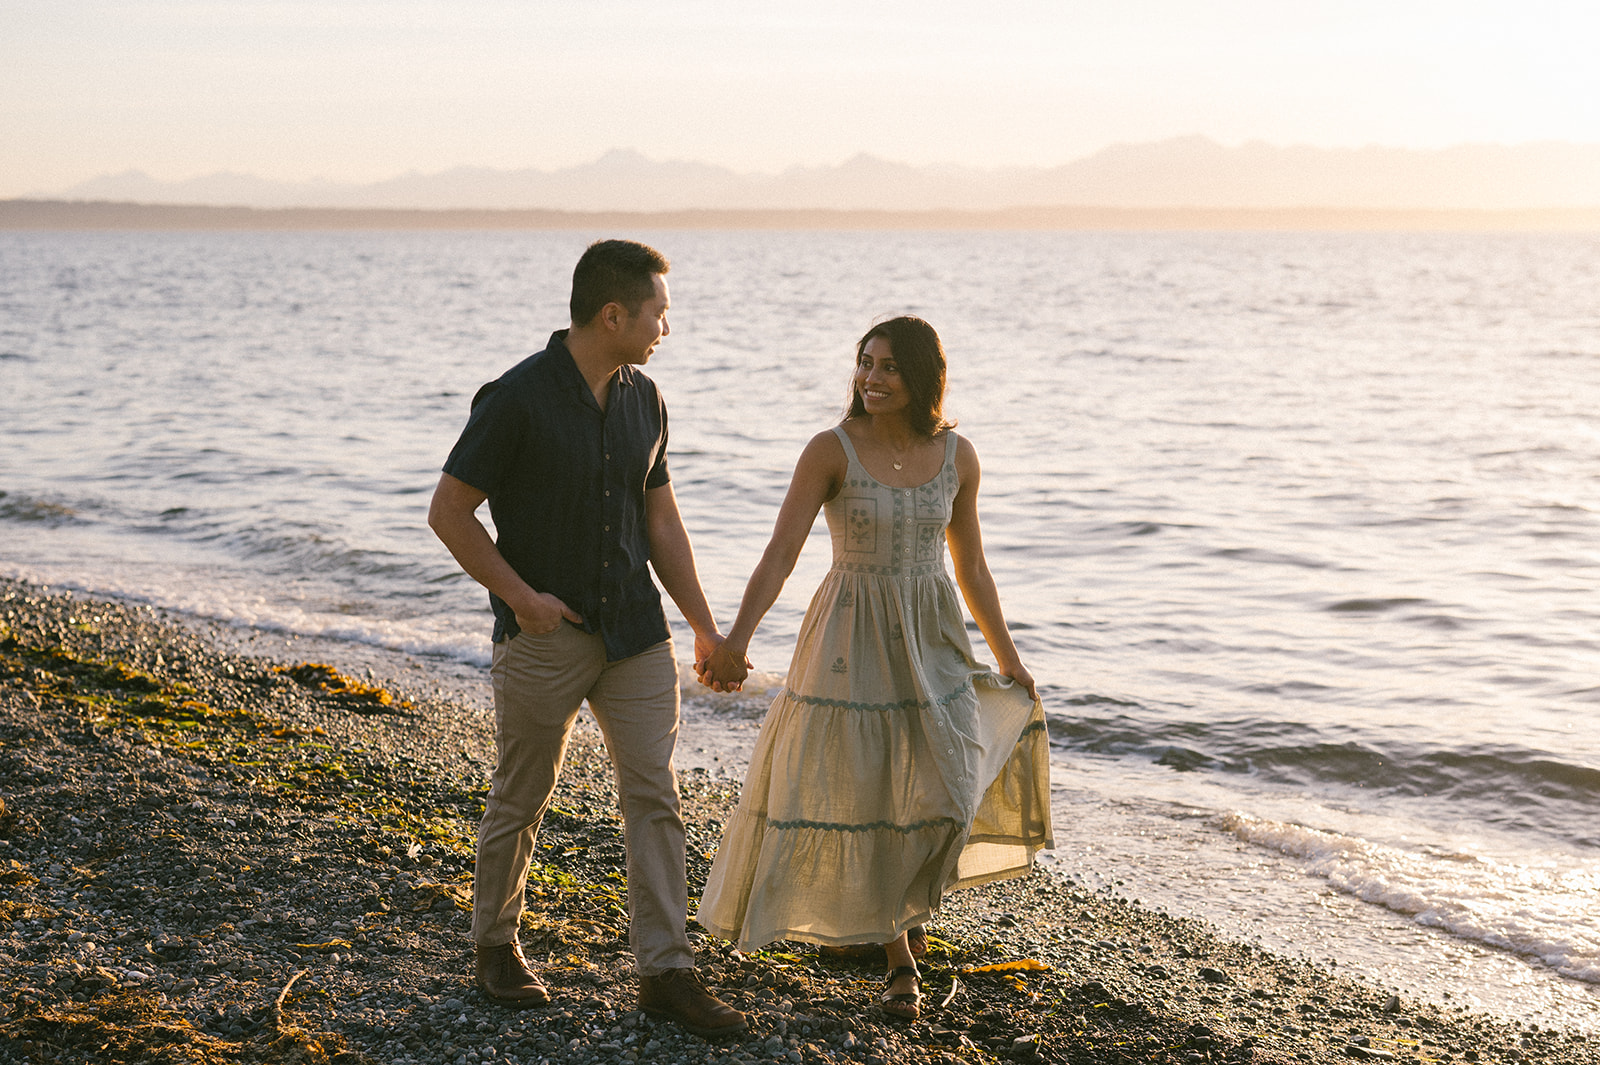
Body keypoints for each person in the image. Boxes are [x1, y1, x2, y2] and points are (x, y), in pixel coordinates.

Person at [428, 239, 746, 1037]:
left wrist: (703, 624)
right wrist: (522, 598)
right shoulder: (515, 399)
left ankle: (666, 970)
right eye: (657, 312)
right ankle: (495, 944)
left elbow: (661, 519)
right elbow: (449, 512)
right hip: (546, 635)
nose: (666, 325)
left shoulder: (646, 398)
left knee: (656, 795)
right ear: (613, 314)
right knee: (522, 793)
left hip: (638, 633)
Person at [693, 315, 1053, 1022]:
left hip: (933, 634)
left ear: (922, 376)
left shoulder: (957, 454)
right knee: (870, 791)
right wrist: (735, 637)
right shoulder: (831, 449)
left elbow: (971, 563)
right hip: (849, 634)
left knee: (949, 790)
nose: (872, 377)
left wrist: (1007, 655)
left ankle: (890, 914)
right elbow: (781, 551)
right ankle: (899, 957)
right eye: (865, 363)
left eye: (889, 366)